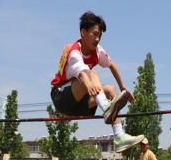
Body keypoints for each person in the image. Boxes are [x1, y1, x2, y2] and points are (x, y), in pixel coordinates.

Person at [50, 11, 143, 152]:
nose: (97, 39)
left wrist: (123, 87)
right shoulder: (74, 53)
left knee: (111, 90)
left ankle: (119, 136)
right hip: (62, 97)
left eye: (100, 35)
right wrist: (91, 86)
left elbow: (112, 65)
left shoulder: (97, 51)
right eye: (94, 34)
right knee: (92, 73)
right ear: (83, 32)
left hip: (79, 105)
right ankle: (106, 107)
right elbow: (82, 75)